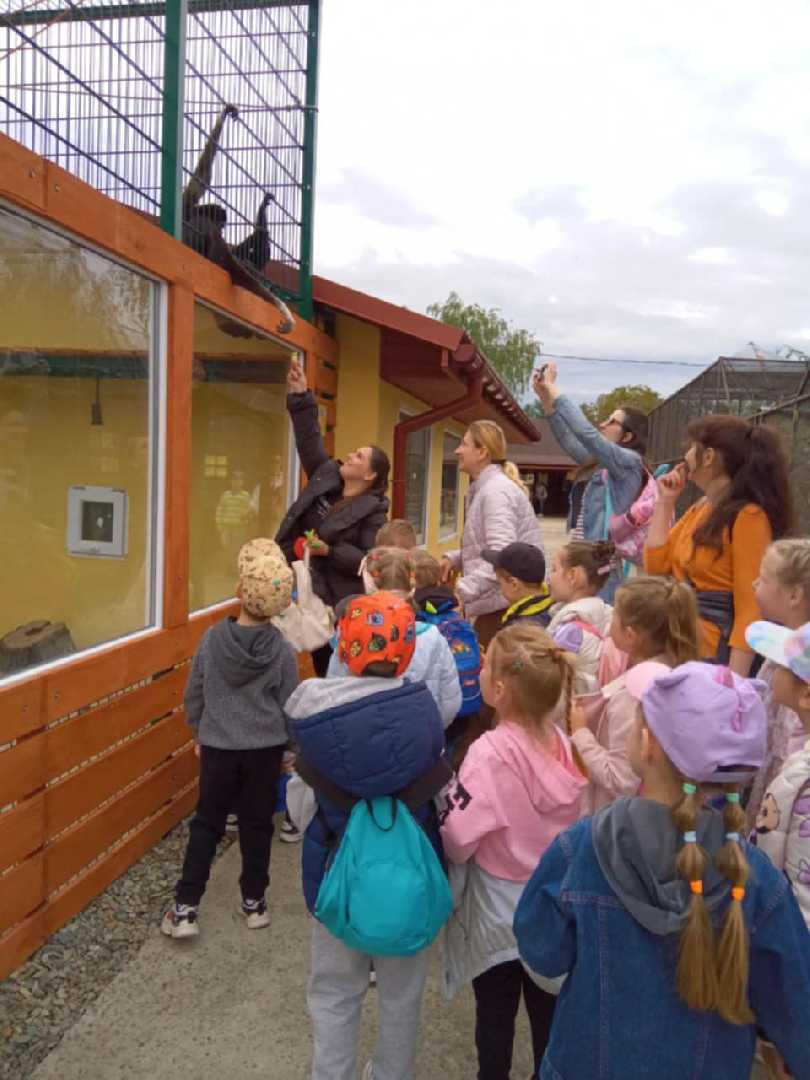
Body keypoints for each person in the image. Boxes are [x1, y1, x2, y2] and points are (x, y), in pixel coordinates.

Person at [515, 659, 810, 1080]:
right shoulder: (757, 879)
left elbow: (542, 951)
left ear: (648, 743)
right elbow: (795, 1004)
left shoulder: (581, 847)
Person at [284, 592, 447, 1080]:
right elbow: (440, 799)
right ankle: (392, 1072)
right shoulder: (426, 717)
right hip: (409, 884)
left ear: (344, 648)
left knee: (334, 990)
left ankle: (331, 1073)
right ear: (407, 651)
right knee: (401, 994)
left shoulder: (316, 725)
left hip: (336, 880)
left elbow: (300, 808)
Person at [440, 624, 586, 1079]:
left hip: (498, 905)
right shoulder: (564, 743)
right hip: (552, 899)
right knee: (547, 1010)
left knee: (495, 1011)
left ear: (499, 690)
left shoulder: (489, 752)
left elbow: (460, 836)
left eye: (486, 666)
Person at [162, 539, 298, 939]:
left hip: (219, 747)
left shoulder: (211, 640)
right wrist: (290, 748)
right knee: (258, 824)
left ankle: (186, 908)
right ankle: (254, 903)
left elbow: (194, 692)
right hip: (264, 750)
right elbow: (290, 702)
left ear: (240, 590)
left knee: (208, 823)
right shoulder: (281, 650)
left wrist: (199, 730)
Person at [645, 415, 794, 675]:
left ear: (708, 456)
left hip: (713, 656)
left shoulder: (748, 517)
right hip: (683, 641)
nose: (685, 455)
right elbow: (656, 566)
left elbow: (750, 608)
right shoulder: (702, 508)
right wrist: (665, 502)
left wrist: (734, 682)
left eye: (691, 446)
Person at [276, 358, 390, 676]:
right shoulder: (326, 476)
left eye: (359, 456)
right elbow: (309, 440)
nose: (350, 455)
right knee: (301, 650)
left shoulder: (375, 512)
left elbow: (368, 561)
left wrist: (329, 550)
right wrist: (300, 395)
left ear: (369, 474)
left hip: (337, 602)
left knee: (332, 664)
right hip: (302, 586)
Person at [573, 576, 699, 815]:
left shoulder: (633, 696)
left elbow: (620, 779)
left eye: (614, 615)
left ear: (630, 635)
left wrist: (581, 733)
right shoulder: (675, 669)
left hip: (620, 820)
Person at [745, 619, 810, 1079]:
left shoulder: (798, 778)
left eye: (783, 665)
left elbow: (770, 863)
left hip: (794, 948)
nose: (772, 670)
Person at [532, 362, 648, 601]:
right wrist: (544, 397)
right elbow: (570, 441)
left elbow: (586, 434)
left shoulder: (629, 463)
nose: (603, 424)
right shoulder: (605, 465)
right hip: (588, 570)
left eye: (612, 422)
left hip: (602, 576)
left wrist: (552, 387)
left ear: (627, 436)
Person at [327, 547, 462, 727]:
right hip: (420, 731)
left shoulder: (350, 631)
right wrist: (431, 730)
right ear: (412, 589)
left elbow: (334, 689)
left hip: (361, 730)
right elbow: (450, 699)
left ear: (369, 586)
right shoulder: (432, 637)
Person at [441, 420, 544, 649]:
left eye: (464, 444)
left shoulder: (495, 492)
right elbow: (489, 547)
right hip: (499, 601)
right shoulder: (486, 489)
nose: (457, 451)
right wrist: (455, 558)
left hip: (502, 606)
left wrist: (461, 591)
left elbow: (503, 557)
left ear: (482, 452)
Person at [747, 540, 810, 824]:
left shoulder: (798, 670)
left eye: (763, 578)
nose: (754, 584)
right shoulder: (780, 650)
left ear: (794, 595)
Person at [546, 539, 619, 693]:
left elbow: (544, 673)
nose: (549, 577)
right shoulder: (606, 615)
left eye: (554, 569)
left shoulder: (569, 631)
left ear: (573, 575)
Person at [482, 542, 554, 630]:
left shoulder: (520, 630)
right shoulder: (551, 608)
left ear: (514, 584)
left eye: (500, 583)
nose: (501, 588)